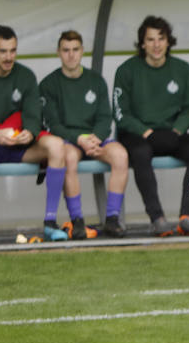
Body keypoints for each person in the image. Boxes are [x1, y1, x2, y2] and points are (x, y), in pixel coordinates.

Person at [0, 25, 76, 244]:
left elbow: (34, 115)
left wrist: (29, 132)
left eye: (13, 50)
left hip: (22, 148)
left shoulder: (26, 76)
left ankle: (50, 223)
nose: (8, 56)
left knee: (57, 145)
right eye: (3, 51)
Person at [113, 16, 189, 236]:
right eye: (150, 40)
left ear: (168, 41)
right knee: (140, 153)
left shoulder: (182, 69)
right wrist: (146, 132)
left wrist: (177, 130)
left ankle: (187, 217)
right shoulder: (126, 70)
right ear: (142, 44)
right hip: (138, 134)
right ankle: (157, 219)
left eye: (161, 39)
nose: (156, 45)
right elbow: (121, 113)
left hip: (172, 133)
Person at [39, 30, 130, 239]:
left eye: (75, 50)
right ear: (58, 53)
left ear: (82, 52)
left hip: (96, 140)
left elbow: (105, 117)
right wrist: (78, 139)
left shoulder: (96, 80)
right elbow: (53, 124)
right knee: (68, 157)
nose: (71, 55)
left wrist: (96, 137)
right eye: (66, 50)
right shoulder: (49, 84)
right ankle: (77, 221)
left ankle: (112, 219)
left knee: (121, 155)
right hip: (70, 141)